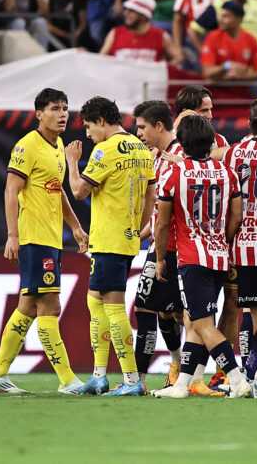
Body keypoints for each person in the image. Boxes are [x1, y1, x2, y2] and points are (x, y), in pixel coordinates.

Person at [0, 89, 88, 394]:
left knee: (28, 306)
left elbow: (58, 192)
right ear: (39, 114)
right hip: (34, 238)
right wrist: (13, 234)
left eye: (66, 108)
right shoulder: (27, 146)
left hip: (51, 238)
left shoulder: (57, 146)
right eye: (55, 108)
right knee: (50, 306)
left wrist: (77, 227)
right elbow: (10, 191)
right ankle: (68, 381)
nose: (62, 114)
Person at [150, 115, 252, 400]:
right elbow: (237, 215)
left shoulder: (174, 174)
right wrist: (225, 240)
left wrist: (160, 258)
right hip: (220, 256)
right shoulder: (226, 172)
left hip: (192, 258)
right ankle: (182, 385)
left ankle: (236, 378)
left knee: (204, 325)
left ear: (181, 143)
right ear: (211, 142)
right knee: (195, 324)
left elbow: (161, 223)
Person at [66, 96, 155, 396]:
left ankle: (131, 381)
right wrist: (138, 230)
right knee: (95, 301)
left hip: (108, 240)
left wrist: (71, 163)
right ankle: (99, 376)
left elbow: (78, 192)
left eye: (90, 127)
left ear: (102, 121)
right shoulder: (142, 149)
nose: (88, 135)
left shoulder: (104, 151)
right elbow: (151, 197)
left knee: (113, 307)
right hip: (126, 238)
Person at [130, 100, 185, 393]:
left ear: (159, 126)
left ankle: (137, 381)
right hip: (160, 243)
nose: (138, 133)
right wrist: (139, 236)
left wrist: (158, 249)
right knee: (170, 313)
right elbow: (156, 213)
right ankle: (177, 367)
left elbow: (170, 212)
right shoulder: (159, 158)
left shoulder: (180, 157)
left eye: (142, 127)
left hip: (174, 247)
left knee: (146, 308)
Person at [100, 0, 182, 64]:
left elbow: (179, 58)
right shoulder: (115, 33)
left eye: (132, 10)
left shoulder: (161, 36)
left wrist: (163, 67)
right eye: (126, 9)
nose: (126, 13)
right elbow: (99, 60)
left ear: (144, 16)